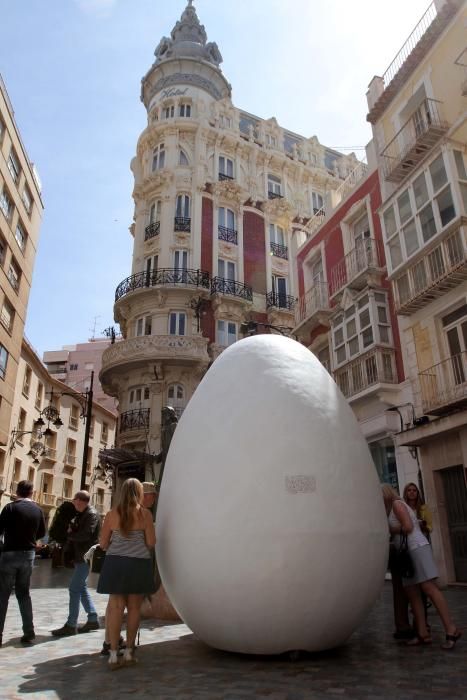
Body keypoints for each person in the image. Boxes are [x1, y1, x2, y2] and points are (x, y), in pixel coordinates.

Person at [382, 484, 461, 650]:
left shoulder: (397, 504)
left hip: (416, 548)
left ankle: (451, 629)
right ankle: (422, 633)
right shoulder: (394, 506)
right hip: (408, 553)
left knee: (429, 588)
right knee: (412, 592)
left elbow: (408, 528)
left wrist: (390, 529)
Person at [97, 478, 156, 669]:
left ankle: (113, 655)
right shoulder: (145, 514)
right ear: (139, 493)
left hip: (115, 564)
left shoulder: (111, 514)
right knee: (134, 609)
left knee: (115, 608)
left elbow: (103, 544)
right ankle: (129, 653)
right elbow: (151, 542)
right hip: (138, 564)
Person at [0, 481, 46, 647]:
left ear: (17, 492)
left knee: (3, 594)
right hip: (28, 555)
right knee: (24, 593)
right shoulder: (38, 510)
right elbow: (42, 532)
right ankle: (29, 631)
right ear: (32, 492)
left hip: (9, 554)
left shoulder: (10, 508)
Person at [51, 491, 100, 637]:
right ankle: (92, 618)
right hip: (81, 556)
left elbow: (87, 534)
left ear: (80, 501)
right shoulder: (83, 514)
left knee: (74, 589)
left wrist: (69, 535)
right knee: (81, 587)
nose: (73, 503)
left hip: (86, 556)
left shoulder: (91, 514)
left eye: (74, 500)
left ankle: (71, 624)